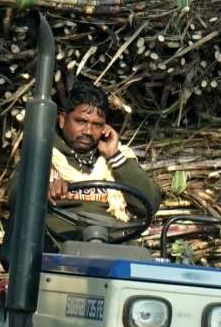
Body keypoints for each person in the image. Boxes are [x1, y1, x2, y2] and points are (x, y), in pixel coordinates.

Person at [44, 80, 161, 245]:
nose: (88, 131)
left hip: (112, 243)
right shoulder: (43, 155)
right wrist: (42, 188)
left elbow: (149, 204)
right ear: (63, 120)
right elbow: (15, 194)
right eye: (81, 121)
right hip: (59, 243)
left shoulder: (115, 160)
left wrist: (114, 156)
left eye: (97, 125)